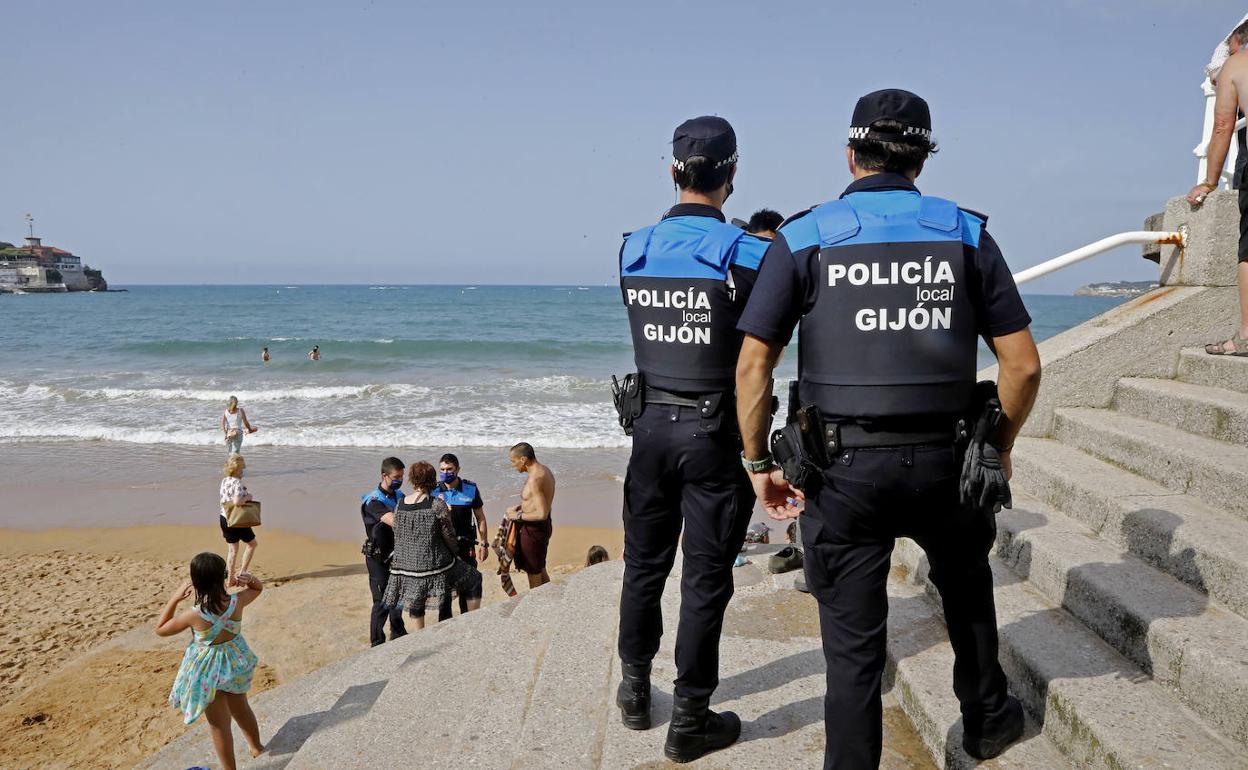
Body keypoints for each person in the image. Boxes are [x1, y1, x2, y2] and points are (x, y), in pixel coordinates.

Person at [735, 89, 1042, 768]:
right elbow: (1021, 366)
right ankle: (988, 720)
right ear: (922, 160)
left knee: (851, 651)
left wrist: (758, 462)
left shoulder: (805, 235)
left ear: (851, 157)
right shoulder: (963, 232)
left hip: (842, 475)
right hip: (948, 464)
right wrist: (1000, 447)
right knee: (967, 591)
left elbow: (754, 366)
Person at [613, 115, 770, 763]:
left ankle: (631, 689)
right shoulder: (749, 254)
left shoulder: (631, 248)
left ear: (672, 171)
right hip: (712, 435)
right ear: (732, 174)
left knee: (643, 567)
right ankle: (689, 719)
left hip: (648, 430)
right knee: (705, 579)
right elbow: (764, 349)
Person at [157, 552, 265, 770]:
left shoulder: (194, 614)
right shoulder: (236, 602)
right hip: (234, 663)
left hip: (207, 672)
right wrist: (249, 579)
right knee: (242, 709)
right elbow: (257, 589)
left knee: (219, 726)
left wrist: (174, 599)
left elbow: (161, 629)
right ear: (224, 577)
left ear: (196, 582)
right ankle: (256, 747)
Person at [1187, 19, 1248, 357]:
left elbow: (1223, 126)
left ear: (1238, 42)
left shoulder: (1237, 64)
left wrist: (1210, 181)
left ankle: (1246, 335)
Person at [381, 461, 483, 630]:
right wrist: (455, 553)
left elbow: (399, 533)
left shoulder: (400, 504)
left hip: (406, 567)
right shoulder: (437, 504)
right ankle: (471, 624)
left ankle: (418, 634)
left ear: (412, 481)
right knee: (474, 579)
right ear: (433, 480)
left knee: (417, 599)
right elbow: (449, 536)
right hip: (434, 565)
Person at [432, 453, 489, 621]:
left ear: (458, 469)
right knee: (445, 594)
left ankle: (466, 623)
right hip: (443, 549)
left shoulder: (470, 489)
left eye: (449, 469)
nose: (445, 472)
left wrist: (484, 543)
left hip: (466, 547)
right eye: (442, 469)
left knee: (468, 588)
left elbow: (481, 518)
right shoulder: (434, 490)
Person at [361, 456, 407, 646]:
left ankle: (398, 632)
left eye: (402, 477)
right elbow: (395, 521)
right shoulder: (373, 501)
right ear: (384, 476)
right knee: (381, 602)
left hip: (397, 555)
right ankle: (377, 642)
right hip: (378, 559)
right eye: (396, 477)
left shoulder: (399, 495)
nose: (399, 481)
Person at [504, 442, 554, 589]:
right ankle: (551, 602)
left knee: (534, 576)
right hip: (542, 529)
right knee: (540, 569)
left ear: (523, 459)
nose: (513, 466)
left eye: (514, 462)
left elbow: (541, 513)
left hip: (534, 530)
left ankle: (538, 609)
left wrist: (517, 516)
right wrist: (522, 507)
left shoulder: (534, 479)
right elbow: (541, 502)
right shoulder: (544, 470)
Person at [219, 454, 258, 586]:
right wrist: (248, 497)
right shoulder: (237, 483)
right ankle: (242, 574)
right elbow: (237, 501)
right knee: (252, 544)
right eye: (242, 469)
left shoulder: (225, 480)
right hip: (237, 520)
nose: (243, 471)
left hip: (224, 517)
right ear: (236, 469)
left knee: (232, 549)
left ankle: (230, 579)